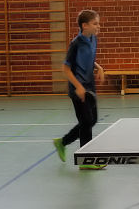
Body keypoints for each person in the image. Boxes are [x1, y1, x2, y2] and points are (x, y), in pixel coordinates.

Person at [53, 9, 105, 170]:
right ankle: (85, 161)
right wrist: (79, 86)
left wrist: (98, 67)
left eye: (98, 23)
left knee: (91, 121)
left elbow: (88, 58)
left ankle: (62, 142)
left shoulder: (93, 39)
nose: (98, 26)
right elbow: (66, 68)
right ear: (84, 25)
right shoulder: (75, 44)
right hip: (78, 90)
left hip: (90, 86)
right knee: (86, 122)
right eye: (95, 23)